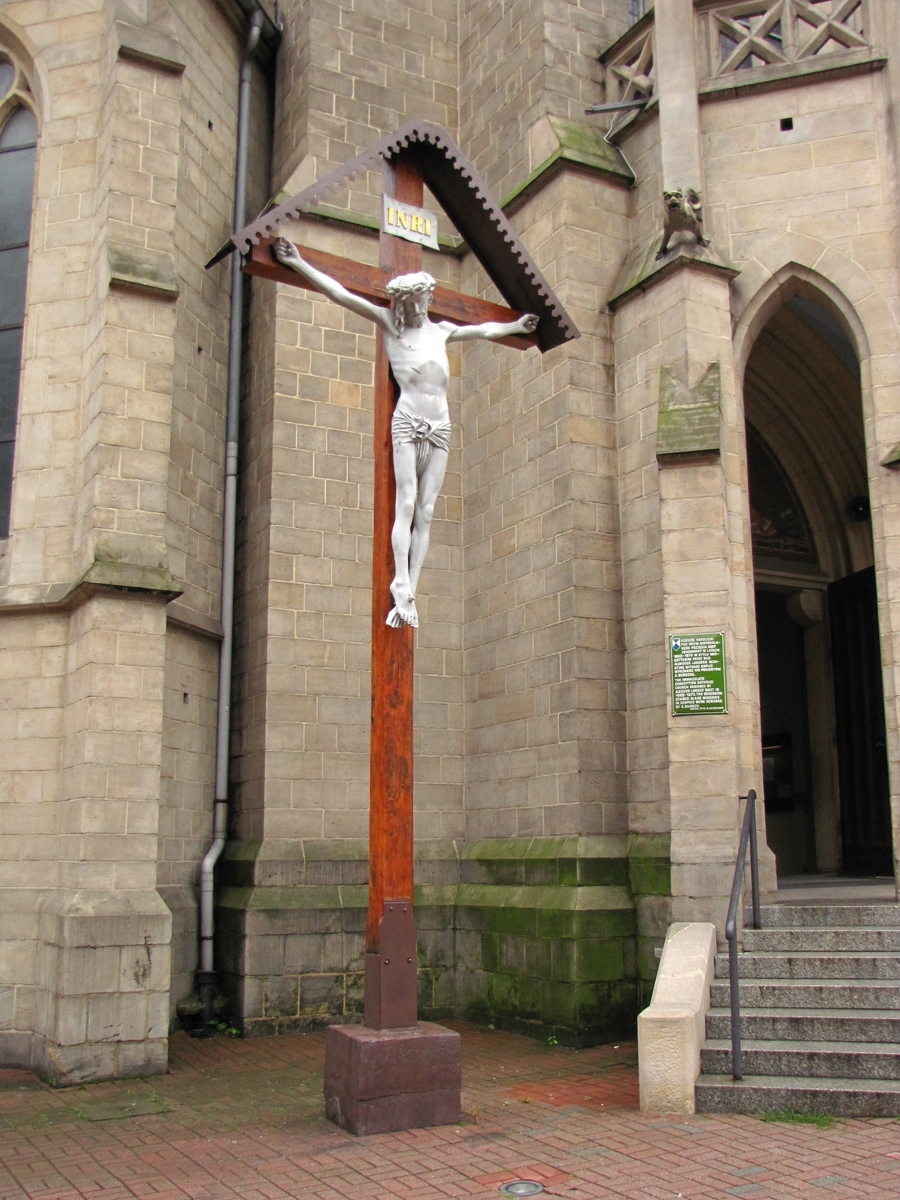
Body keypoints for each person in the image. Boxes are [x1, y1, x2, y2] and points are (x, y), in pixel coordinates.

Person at [273, 237, 539, 628]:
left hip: (440, 426)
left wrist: (515, 326)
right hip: (408, 422)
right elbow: (340, 294)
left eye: (420, 301)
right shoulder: (390, 326)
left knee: (427, 511)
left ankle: (411, 589)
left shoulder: (442, 330)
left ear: (428, 298)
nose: (416, 309)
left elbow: (483, 331)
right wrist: (298, 262)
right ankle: (399, 581)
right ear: (401, 303)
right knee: (407, 503)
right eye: (409, 303)